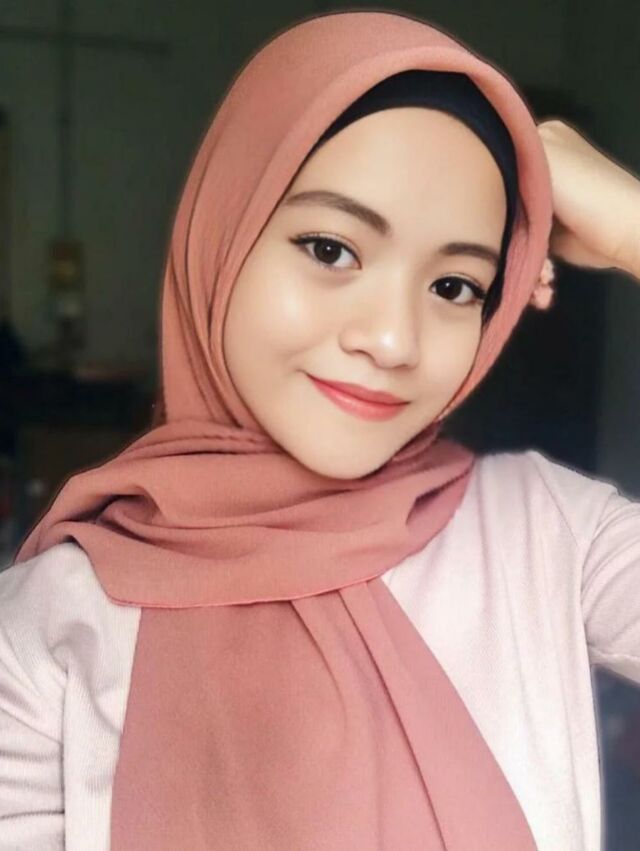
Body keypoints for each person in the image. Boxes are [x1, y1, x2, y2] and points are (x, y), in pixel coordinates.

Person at [1, 9, 640, 850]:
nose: (392, 340)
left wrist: (632, 225)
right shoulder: (47, 630)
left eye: (455, 286)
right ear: (222, 236)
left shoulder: (548, 534)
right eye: (332, 250)